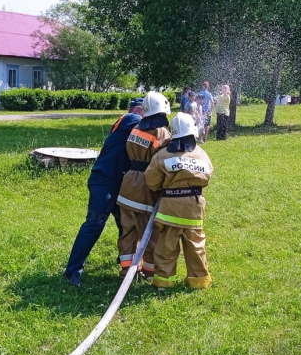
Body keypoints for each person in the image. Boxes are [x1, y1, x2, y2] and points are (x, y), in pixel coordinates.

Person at [63, 99, 146, 286]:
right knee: (95, 223)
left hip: (119, 182)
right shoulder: (130, 119)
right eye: (146, 112)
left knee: (125, 224)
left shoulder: (130, 126)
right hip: (105, 181)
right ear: (137, 109)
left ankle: (125, 261)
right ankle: (72, 271)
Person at [145, 112, 214, 290]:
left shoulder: (162, 156)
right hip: (193, 208)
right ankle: (200, 281)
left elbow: (151, 180)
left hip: (169, 210)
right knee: (196, 246)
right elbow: (207, 177)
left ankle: (163, 282)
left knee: (166, 247)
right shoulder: (201, 154)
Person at [116, 92, 172, 280]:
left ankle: (126, 270)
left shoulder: (136, 127)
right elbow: (163, 160)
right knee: (150, 234)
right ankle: (149, 272)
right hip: (146, 187)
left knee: (128, 232)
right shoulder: (161, 133)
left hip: (127, 185)